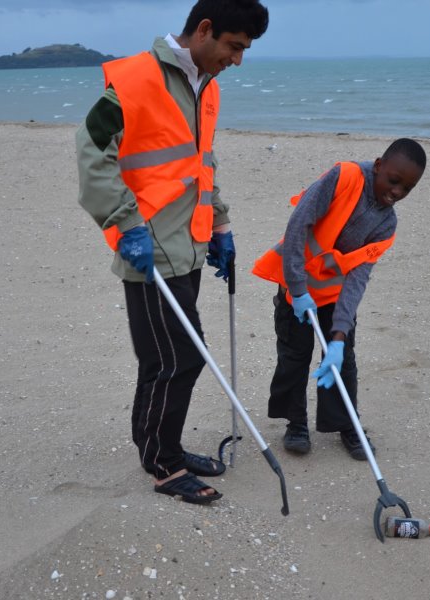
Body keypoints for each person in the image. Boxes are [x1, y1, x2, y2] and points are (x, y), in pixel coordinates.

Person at [75, 0, 269, 504]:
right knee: (180, 357)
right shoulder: (138, 77)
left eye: (244, 51)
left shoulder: (206, 86)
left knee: (162, 357)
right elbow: (92, 149)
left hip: (189, 244)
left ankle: (159, 450)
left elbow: (201, 161)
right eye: (233, 47)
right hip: (149, 248)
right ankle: (165, 466)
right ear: (204, 30)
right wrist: (124, 222)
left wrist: (220, 224)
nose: (237, 60)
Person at [252, 138, 426, 460]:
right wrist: (297, 289)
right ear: (378, 166)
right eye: (393, 180)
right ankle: (296, 423)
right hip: (297, 286)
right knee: (294, 355)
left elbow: (357, 280)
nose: (397, 192)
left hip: (335, 294)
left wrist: (339, 334)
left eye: (407, 188)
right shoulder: (344, 177)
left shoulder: (386, 225)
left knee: (342, 359)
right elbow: (298, 225)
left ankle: (347, 424)